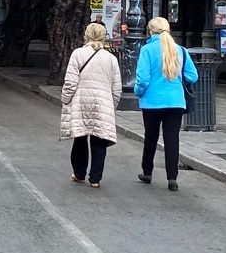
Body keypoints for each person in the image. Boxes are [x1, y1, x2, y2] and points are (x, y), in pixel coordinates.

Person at [134, 16, 194, 191]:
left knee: (150, 137)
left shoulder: (147, 50)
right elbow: (193, 76)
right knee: (172, 139)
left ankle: (147, 171)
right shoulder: (181, 50)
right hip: (175, 102)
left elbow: (143, 79)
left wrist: (138, 92)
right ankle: (172, 178)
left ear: (150, 31)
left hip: (152, 102)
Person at [60, 21, 121, 187]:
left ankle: (79, 173)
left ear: (86, 35)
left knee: (80, 138)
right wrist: (112, 104)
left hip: (80, 101)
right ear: (104, 37)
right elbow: (117, 87)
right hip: (102, 103)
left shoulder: (77, 54)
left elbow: (71, 82)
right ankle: (95, 179)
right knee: (99, 140)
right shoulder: (111, 59)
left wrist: (65, 99)